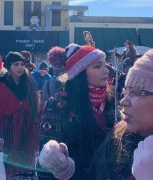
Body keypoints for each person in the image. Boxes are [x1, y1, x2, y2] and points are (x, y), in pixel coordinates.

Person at [88, 41, 153, 179]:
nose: (123, 101)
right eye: (126, 91)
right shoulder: (117, 140)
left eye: (138, 92)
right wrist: (66, 170)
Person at [38, 43, 115, 179]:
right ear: (79, 73)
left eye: (105, 65)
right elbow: (47, 157)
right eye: (98, 66)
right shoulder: (57, 104)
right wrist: (63, 167)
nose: (106, 71)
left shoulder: (112, 100)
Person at [0, 52, 39, 179]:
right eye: (16, 64)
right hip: (7, 140)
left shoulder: (29, 86)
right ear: (8, 66)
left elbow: (35, 112)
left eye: (22, 64)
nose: (20, 67)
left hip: (27, 142)